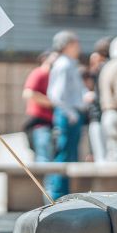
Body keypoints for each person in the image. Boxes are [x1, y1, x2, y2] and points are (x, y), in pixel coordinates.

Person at [45, 31, 89, 200]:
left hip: (70, 114)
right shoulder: (64, 65)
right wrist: (71, 113)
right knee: (64, 155)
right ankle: (57, 195)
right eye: (75, 43)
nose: (79, 47)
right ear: (67, 45)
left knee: (69, 156)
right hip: (68, 116)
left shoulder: (68, 64)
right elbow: (56, 95)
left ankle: (62, 194)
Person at [22, 51, 56, 163]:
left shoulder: (52, 76)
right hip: (40, 123)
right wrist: (51, 102)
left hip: (50, 123)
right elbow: (28, 93)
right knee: (44, 158)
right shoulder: (39, 73)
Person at [84, 37, 112, 162]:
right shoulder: (106, 67)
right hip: (101, 115)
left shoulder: (103, 68)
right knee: (104, 158)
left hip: (99, 116)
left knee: (102, 157)